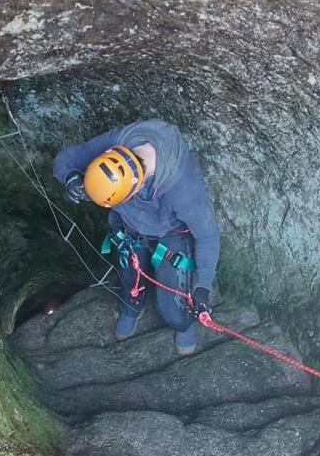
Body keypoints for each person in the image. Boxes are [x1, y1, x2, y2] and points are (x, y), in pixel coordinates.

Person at [52, 119, 221, 355]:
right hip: (129, 225)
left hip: (169, 232)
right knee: (129, 274)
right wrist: (70, 177)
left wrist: (203, 286)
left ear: (138, 186)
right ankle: (131, 306)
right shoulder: (116, 142)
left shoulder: (184, 187)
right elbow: (66, 158)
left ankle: (181, 323)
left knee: (172, 300)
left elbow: (208, 237)